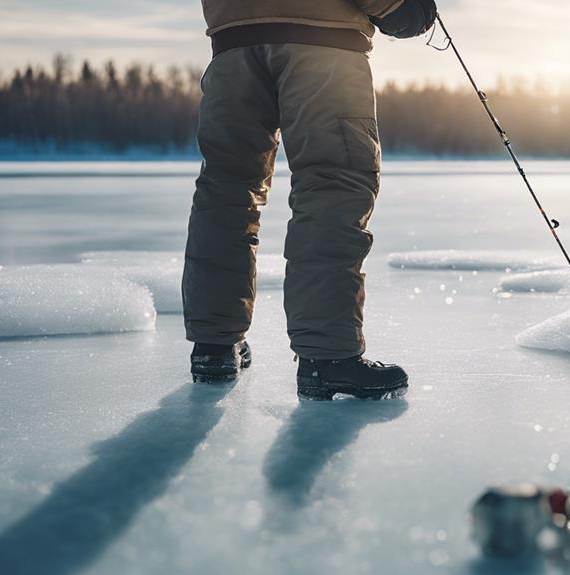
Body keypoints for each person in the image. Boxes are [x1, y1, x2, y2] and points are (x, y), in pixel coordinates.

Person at [183, 0, 436, 399]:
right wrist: (397, 8)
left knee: (227, 190)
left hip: (232, 41)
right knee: (332, 186)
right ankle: (327, 357)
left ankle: (214, 346)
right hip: (321, 42)